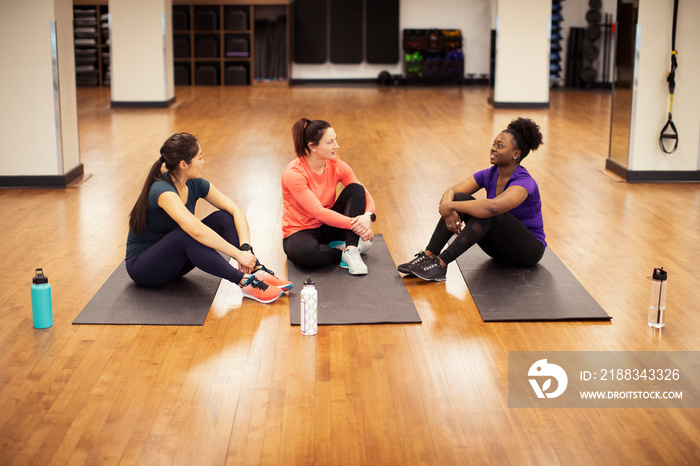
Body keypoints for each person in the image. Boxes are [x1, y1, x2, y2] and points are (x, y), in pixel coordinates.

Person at [125, 132, 292, 303]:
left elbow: (235, 210)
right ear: (183, 164)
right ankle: (245, 282)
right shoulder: (162, 191)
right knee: (185, 234)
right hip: (145, 268)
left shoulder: (195, 183)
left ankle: (257, 271)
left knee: (222, 217)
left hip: (174, 264)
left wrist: (245, 250)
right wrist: (235, 253)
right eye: (199, 158)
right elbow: (195, 230)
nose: (203, 162)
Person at [398, 117, 546, 281]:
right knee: (462, 198)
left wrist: (451, 206)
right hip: (500, 250)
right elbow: (452, 191)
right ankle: (428, 255)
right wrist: (450, 209)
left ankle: (440, 264)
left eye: (500, 146)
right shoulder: (489, 174)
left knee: (488, 211)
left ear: (516, 154)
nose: (493, 149)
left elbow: (493, 208)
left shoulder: (524, 183)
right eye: (493, 144)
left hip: (527, 251)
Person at [282, 118, 377, 275]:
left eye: (336, 140)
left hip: (327, 226)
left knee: (356, 189)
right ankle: (343, 250)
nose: (336, 146)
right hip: (299, 231)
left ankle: (351, 249)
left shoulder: (336, 164)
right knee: (310, 255)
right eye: (330, 142)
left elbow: (363, 193)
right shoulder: (294, 173)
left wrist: (368, 216)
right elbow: (318, 212)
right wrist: (358, 226)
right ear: (312, 147)